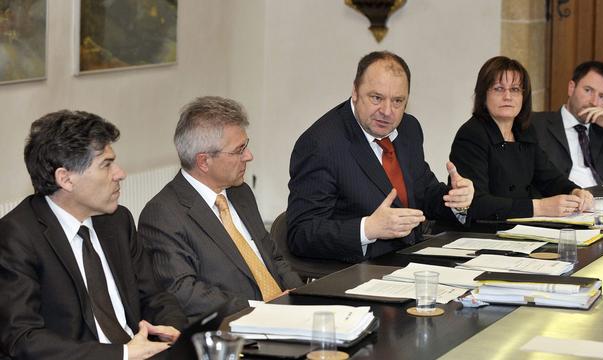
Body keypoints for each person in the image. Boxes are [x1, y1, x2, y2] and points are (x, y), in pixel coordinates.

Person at [0, 111, 187, 360]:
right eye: (106, 164)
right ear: (65, 179)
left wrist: (171, 327)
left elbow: (154, 296)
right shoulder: (16, 237)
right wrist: (122, 354)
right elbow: (23, 338)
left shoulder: (117, 221)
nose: (120, 173)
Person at [287, 51, 474, 263]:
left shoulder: (409, 128)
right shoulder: (320, 144)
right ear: (355, 92)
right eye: (377, 98)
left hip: (411, 261)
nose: (387, 111)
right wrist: (368, 229)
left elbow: (423, 193)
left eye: (397, 101)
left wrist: (457, 200)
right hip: (356, 272)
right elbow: (301, 234)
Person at [138, 96, 302, 323]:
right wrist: (260, 309)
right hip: (232, 328)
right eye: (239, 150)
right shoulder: (163, 215)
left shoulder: (240, 192)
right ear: (204, 161)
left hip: (286, 315)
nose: (249, 156)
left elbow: (273, 257)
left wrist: (300, 297)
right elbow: (184, 292)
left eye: (246, 145)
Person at [449, 56, 592, 220]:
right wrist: (540, 207)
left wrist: (575, 191)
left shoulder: (524, 131)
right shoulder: (471, 135)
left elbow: (549, 177)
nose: (508, 96)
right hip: (485, 231)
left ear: (524, 97)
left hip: (520, 226)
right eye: (498, 88)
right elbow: (476, 204)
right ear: (483, 94)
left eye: (515, 89)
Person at [531, 60, 603, 187]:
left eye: (602, 97)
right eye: (588, 90)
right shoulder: (537, 124)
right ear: (571, 88)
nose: (594, 102)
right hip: (565, 201)